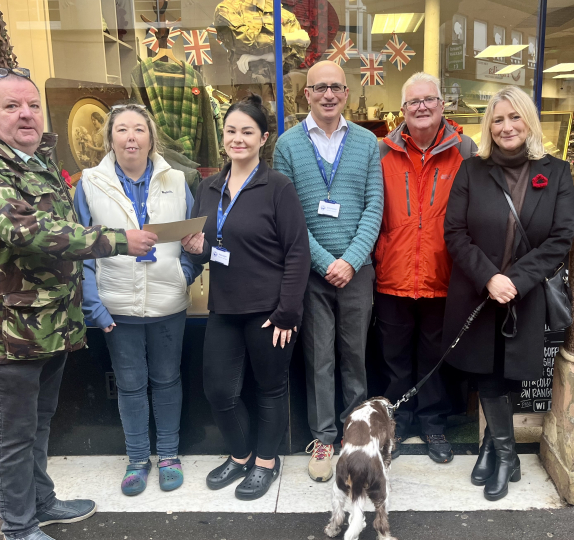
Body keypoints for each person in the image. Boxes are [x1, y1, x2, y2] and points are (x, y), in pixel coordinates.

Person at [0, 68, 157, 540]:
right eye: (12, 106)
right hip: (3, 330)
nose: (26, 114)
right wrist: (119, 240)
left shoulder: (37, 159)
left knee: (39, 425)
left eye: (32, 105)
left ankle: (42, 503)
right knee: (14, 435)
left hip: (48, 325)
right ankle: (18, 527)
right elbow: (25, 230)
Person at [443, 86, 574, 501]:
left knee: (512, 373)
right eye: (498, 120)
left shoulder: (556, 172)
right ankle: (506, 454)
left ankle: (496, 450)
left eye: (514, 117)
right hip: (479, 293)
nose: (506, 127)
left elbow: (561, 238)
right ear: (489, 126)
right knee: (486, 374)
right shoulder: (471, 170)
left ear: (528, 121)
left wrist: (516, 279)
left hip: (526, 295)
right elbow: (455, 232)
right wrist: (489, 277)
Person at [181, 95, 310, 500]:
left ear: (263, 138)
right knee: (219, 390)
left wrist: (288, 311)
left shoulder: (277, 187)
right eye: (231, 131)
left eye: (247, 132)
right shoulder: (209, 186)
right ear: (223, 138)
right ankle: (240, 456)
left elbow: (297, 252)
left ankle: (266, 463)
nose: (238, 139)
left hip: (270, 311)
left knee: (270, 389)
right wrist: (192, 246)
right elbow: (208, 245)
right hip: (224, 306)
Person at [74, 103, 202, 496]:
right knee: (129, 386)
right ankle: (135, 460)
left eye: (139, 130)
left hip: (168, 303)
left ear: (151, 137)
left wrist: (184, 275)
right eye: (122, 130)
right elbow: (81, 248)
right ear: (110, 137)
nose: (131, 137)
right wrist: (94, 305)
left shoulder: (178, 180)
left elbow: (192, 242)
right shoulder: (89, 184)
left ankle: (168, 456)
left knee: (168, 380)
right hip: (118, 306)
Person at [273, 60, 384, 482]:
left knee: (355, 357)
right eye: (320, 88)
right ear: (307, 94)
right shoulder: (286, 145)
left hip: (358, 271)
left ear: (347, 93)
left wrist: (352, 260)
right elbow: (290, 214)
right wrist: (324, 262)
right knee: (318, 358)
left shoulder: (366, 142)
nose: (329, 95)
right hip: (310, 271)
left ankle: (356, 440)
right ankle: (324, 438)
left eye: (337, 87)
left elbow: (375, 206)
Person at [376, 72, 477, 463]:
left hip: (442, 274)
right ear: (402, 110)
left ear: (441, 105)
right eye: (413, 101)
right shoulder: (381, 152)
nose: (421, 107)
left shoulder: (464, 151)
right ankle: (395, 425)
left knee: (435, 357)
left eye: (428, 100)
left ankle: (433, 424)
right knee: (393, 359)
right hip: (393, 274)